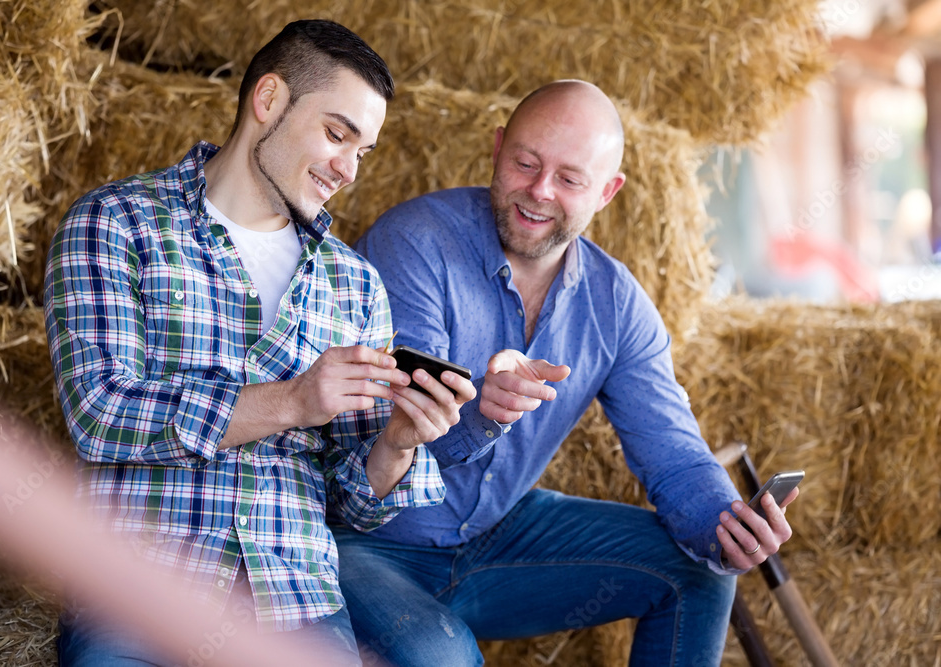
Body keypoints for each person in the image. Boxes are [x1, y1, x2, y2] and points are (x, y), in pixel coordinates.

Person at [43, 19, 475, 666]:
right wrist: (293, 400)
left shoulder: (354, 285)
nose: (348, 169)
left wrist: (398, 442)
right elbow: (100, 415)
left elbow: (354, 502)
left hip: (293, 599)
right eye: (337, 135)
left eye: (364, 151)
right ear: (268, 101)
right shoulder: (116, 223)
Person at [334, 80, 798, 667]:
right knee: (442, 657)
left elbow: (674, 455)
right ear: (498, 149)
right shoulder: (416, 243)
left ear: (608, 192)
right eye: (525, 163)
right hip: (368, 541)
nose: (539, 191)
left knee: (698, 572)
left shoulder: (618, 304)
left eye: (570, 179)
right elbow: (398, 432)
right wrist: (483, 412)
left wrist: (725, 526)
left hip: (499, 539)